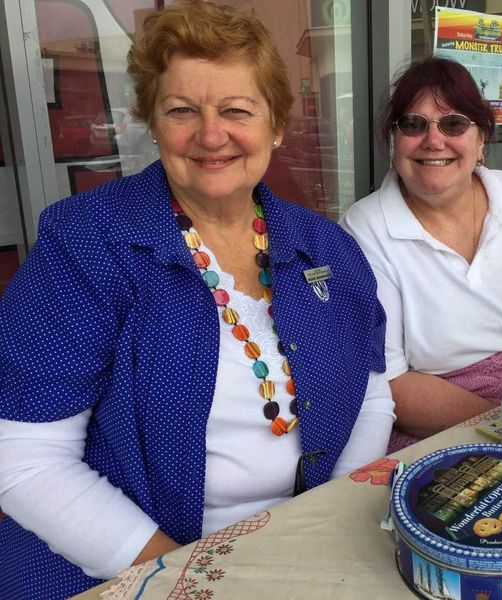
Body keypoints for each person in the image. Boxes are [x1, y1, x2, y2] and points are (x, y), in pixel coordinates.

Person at [0, 2, 393, 598]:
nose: (211, 135)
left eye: (237, 110)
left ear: (276, 124)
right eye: (182, 110)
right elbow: (26, 458)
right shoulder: (87, 243)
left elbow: (371, 388)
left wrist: (328, 521)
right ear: (153, 122)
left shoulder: (323, 245)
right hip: (121, 566)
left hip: (300, 546)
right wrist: (191, 581)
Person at [341, 57, 502, 451]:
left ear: (481, 140)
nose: (433, 140)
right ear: (395, 140)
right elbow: (389, 383)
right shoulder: (365, 230)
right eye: (413, 124)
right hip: (447, 428)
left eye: (454, 124)